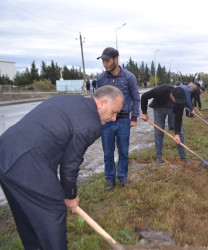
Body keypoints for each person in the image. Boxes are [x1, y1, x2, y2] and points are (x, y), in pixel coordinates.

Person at [0, 85, 124, 250]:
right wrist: (70, 195)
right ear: (102, 102)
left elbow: (53, 148)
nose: (114, 118)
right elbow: (70, 164)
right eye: (114, 112)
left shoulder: (72, 99)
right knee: (53, 208)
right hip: (26, 163)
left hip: (5, 152)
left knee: (27, 215)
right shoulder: (91, 124)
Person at [96, 47, 140, 191]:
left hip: (123, 121)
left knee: (123, 151)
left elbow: (135, 98)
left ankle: (122, 177)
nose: (105, 64)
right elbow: (97, 100)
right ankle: (110, 179)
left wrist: (134, 117)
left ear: (116, 59)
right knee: (108, 152)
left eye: (107, 61)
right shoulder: (101, 78)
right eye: (103, 61)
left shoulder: (129, 77)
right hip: (107, 123)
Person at [140, 84, 189, 163]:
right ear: (171, 95)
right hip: (159, 108)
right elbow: (144, 96)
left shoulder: (180, 100)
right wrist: (144, 113)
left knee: (180, 133)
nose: (177, 102)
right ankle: (159, 156)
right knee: (158, 132)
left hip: (173, 110)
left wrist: (176, 134)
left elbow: (178, 119)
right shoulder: (161, 90)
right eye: (176, 100)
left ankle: (183, 156)